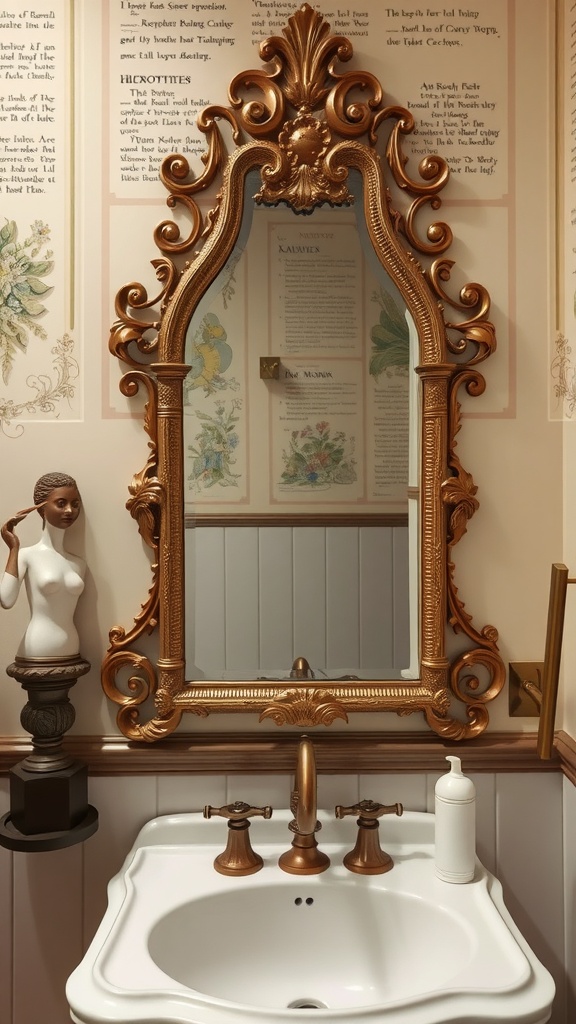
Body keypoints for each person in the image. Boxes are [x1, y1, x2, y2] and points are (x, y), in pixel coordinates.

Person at [0, 472, 86, 660]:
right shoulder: (27, 556)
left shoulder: (78, 563)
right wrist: (14, 548)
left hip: (71, 648)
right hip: (37, 648)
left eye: (75, 504)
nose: (70, 510)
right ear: (41, 509)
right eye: (61, 503)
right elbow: (6, 600)